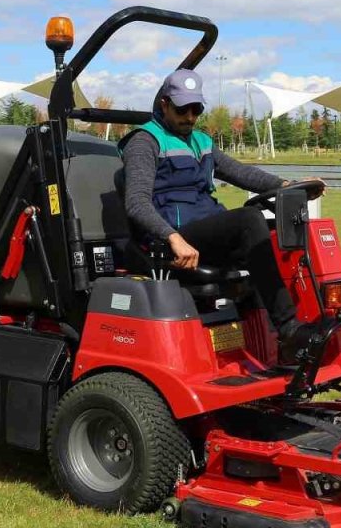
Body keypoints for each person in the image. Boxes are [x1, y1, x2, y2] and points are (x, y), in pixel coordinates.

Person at [119, 69, 326, 363]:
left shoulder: (201, 142)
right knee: (247, 220)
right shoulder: (145, 142)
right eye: (182, 109)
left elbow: (241, 173)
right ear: (164, 103)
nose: (190, 117)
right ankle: (289, 329)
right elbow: (137, 203)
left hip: (204, 229)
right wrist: (173, 238)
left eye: (196, 109)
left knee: (269, 231)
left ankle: (287, 330)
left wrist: (288, 187)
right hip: (173, 236)